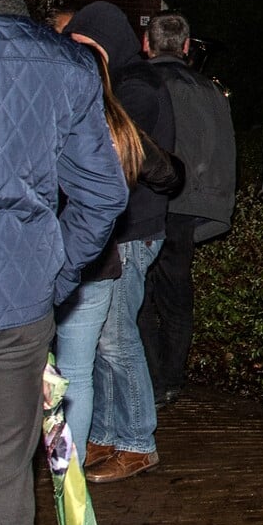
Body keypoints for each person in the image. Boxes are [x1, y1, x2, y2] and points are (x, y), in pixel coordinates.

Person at [0, 0, 130, 525]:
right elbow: (103, 196)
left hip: (22, 299)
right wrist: (56, 272)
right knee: (4, 479)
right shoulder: (66, 64)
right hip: (16, 306)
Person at [54, 33, 183, 468]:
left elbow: (165, 173)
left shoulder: (111, 115)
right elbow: (169, 172)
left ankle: (137, 441)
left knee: (113, 342)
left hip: (113, 245)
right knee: (96, 350)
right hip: (105, 246)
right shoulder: (110, 115)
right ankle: (106, 435)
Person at [139, 11, 237, 407]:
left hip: (146, 204)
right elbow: (222, 149)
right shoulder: (208, 88)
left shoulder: (139, 83)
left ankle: (149, 375)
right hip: (186, 205)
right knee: (176, 293)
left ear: (146, 43)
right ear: (184, 46)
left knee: (140, 296)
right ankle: (170, 378)